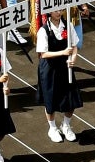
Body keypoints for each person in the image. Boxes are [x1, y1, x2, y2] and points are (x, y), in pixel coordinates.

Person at [36, 7, 83, 140]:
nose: (58, 13)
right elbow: (43, 54)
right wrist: (62, 53)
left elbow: (74, 46)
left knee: (71, 98)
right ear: (49, 12)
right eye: (56, 10)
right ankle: (52, 128)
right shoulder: (43, 30)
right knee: (50, 101)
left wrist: (73, 59)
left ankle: (66, 125)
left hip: (65, 67)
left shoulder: (67, 26)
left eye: (60, 10)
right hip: (49, 69)